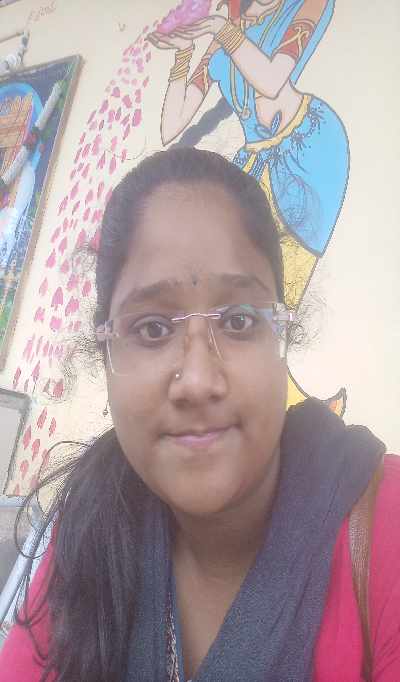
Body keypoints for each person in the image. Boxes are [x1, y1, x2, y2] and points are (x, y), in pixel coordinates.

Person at [0, 148, 399, 682]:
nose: (197, 380)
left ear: (282, 335)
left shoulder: (386, 528)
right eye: (152, 329)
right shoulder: (90, 531)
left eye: (238, 321)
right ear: (105, 355)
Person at [148, 0, 350, 408]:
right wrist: (184, 51)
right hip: (256, 160)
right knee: (238, 301)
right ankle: (292, 407)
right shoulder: (226, 27)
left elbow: (272, 81)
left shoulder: (308, 6)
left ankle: (293, 414)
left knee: (273, 300)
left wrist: (220, 30)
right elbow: (171, 125)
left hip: (309, 151)